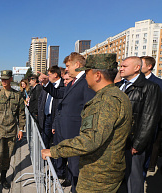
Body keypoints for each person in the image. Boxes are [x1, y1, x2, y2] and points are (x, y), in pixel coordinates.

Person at [41, 53, 133, 193]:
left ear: (97, 75)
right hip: (106, 171)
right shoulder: (117, 95)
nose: (85, 75)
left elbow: (90, 140)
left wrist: (54, 151)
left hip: (97, 176)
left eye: (87, 72)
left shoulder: (105, 101)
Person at [39, 52, 95, 191]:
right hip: (65, 132)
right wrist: (46, 83)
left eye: (68, 66)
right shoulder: (73, 83)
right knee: (72, 167)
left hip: (77, 134)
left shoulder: (87, 82)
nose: (66, 69)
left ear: (77, 65)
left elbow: (89, 110)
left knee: (76, 169)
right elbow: (59, 94)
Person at [116, 56, 161, 193]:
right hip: (116, 142)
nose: (121, 68)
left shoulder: (150, 87)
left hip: (132, 144)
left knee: (133, 181)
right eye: (121, 66)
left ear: (137, 68)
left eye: (124, 66)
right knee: (119, 180)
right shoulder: (119, 86)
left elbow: (150, 118)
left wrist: (138, 144)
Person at [0, 70, 25, 193]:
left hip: (12, 131)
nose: (4, 81)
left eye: (6, 79)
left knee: (7, 158)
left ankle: (3, 178)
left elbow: (21, 114)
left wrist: (21, 129)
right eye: (2, 79)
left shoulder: (17, 95)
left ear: (11, 79)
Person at [140, 56, 162, 173]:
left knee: (150, 148)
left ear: (149, 67)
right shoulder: (135, 81)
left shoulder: (158, 83)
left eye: (141, 64)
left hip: (152, 123)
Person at [38, 66, 64, 148]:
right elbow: (41, 100)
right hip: (46, 118)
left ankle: (53, 160)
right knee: (44, 142)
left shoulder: (64, 85)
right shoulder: (47, 86)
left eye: (49, 75)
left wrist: (55, 123)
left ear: (55, 74)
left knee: (56, 144)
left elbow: (57, 95)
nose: (48, 76)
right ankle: (45, 160)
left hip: (56, 119)